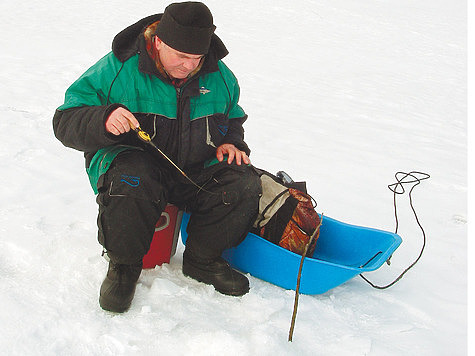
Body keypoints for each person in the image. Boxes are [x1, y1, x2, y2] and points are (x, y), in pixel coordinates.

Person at [53, 1, 261, 313]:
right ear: (158, 43)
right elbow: (65, 120)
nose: (189, 66)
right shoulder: (118, 68)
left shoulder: (219, 75)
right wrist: (103, 119)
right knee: (132, 177)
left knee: (244, 180)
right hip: (136, 166)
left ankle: (202, 260)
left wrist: (232, 142)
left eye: (196, 58)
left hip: (193, 169)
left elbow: (232, 118)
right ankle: (123, 267)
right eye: (181, 56)